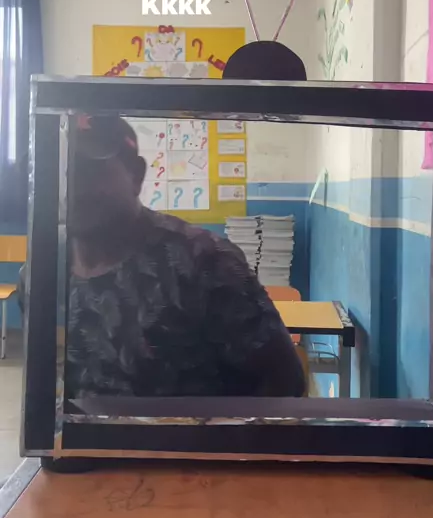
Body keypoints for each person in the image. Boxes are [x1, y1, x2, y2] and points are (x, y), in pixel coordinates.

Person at [19, 114, 305, 401]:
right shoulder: (40, 273)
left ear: (136, 176)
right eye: (58, 172)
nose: (72, 186)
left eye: (88, 171)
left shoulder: (204, 263)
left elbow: (284, 383)